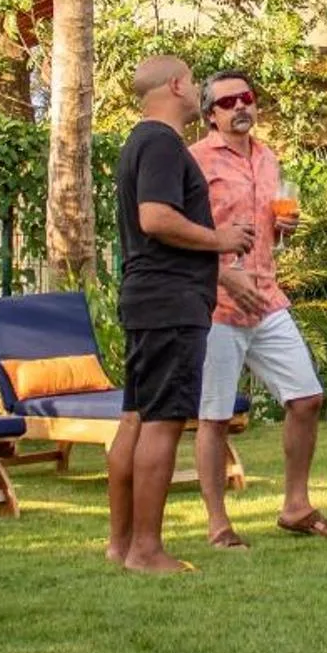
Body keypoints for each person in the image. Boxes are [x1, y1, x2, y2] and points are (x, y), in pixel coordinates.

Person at [187, 70, 327, 549]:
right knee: (214, 417)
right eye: (228, 101)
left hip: (268, 297)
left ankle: (295, 506)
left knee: (306, 398)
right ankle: (218, 525)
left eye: (247, 98)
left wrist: (284, 228)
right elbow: (180, 233)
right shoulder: (193, 160)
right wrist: (220, 271)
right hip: (217, 303)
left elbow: (268, 224)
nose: (241, 106)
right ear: (210, 114)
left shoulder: (268, 156)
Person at [110, 55, 254, 575]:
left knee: (137, 418)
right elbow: (156, 217)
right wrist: (221, 240)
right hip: (169, 300)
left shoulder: (139, 141)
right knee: (163, 423)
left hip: (149, 297)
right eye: (193, 82)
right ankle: (146, 549)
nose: (197, 91)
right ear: (175, 85)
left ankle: (121, 542)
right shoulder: (163, 143)